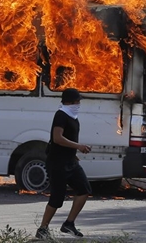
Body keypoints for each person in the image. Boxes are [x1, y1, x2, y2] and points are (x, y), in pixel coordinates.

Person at [36, 88, 92, 239]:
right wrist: (78, 146)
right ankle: (42, 228)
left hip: (70, 161)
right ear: (69, 102)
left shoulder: (73, 116)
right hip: (57, 163)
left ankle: (69, 223)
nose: (79, 104)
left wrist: (73, 154)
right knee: (57, 198)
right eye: (77, 101)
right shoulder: (61, 115)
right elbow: (57, 138)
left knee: (84, 189)